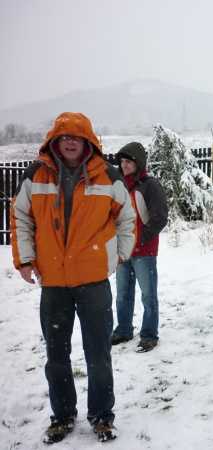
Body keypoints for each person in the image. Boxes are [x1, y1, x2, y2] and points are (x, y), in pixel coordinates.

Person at [10, 112, 136, 443]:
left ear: (87, 142)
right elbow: (20, 216)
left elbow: (127, 217)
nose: (69, 142)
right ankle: (63, 416)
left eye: (76, 137)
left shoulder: (107, 176)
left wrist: (119, 253)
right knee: (56, 356)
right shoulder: (36, 174)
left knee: (99, 353)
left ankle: (102, 416)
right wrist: (25, 259)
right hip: (54, 282)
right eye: (64, 136)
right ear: (54, 141)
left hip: (93, 280)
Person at [111, 142, 169, 352]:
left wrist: (141, 239)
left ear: (138, 163)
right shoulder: (118, 186)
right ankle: (124, 330)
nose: (124, 165)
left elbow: (160, 216)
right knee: (123, 294)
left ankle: (149, 334)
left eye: (129, 161)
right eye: (122, 162)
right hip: (122, 251)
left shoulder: (149, 185)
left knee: (148, 295)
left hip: (144, 251)